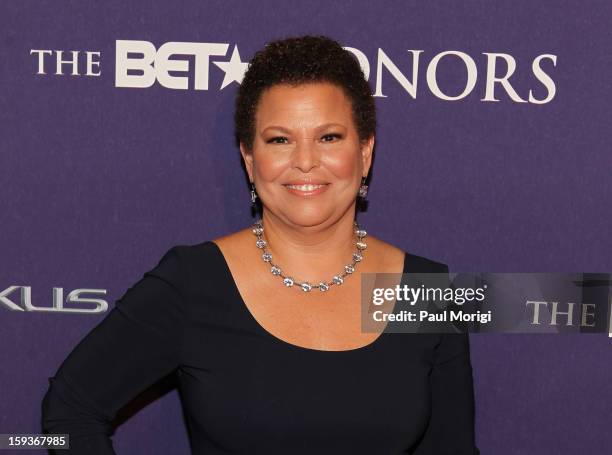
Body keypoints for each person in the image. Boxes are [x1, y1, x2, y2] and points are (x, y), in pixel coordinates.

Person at [41, 35, 479, 454]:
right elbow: (68, 413)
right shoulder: (195, 283)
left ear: (365, 152)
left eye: (329, 137)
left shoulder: (427, 292)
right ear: (250, 160)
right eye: (280, 139)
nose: (305, 161)